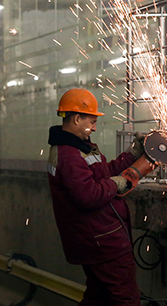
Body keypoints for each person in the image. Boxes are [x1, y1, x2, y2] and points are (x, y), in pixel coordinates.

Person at [47, 88, 145, 305]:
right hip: (102, 241)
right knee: (125, 299)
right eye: (91, 121)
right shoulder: (69, 155)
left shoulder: (78, 147)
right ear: (77, 118)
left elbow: (104, 172)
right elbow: (87, 195)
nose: (94, 126)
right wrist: (115, 184)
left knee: (99, 297)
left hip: (97, 240)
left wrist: (133, 155)